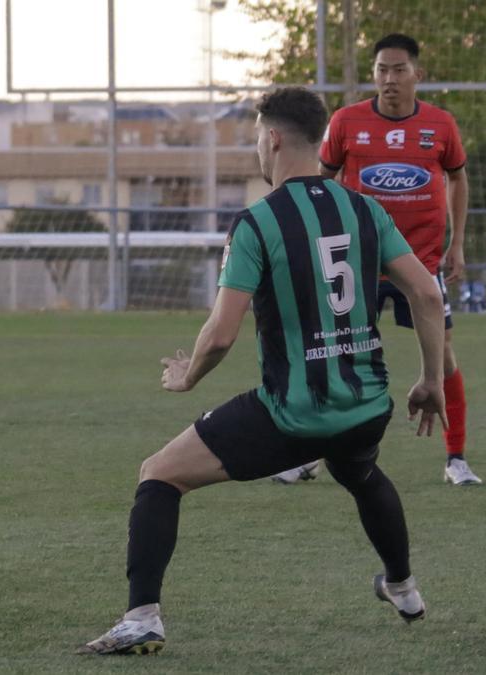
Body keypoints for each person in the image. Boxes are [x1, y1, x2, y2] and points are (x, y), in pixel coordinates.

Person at [78, 87, 448, 656]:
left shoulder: (257, 222)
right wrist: (430, 379)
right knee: (359, 473)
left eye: (256, 134)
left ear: (272, 138)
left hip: (293, 414)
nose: (256, 145)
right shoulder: (367, 209)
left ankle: (141, 616)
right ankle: (403, 587)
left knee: (159, 475)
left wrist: (188, 376)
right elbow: (425, 293)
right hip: (368, 403)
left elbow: (222, 333)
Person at [275, 33, 479, 486]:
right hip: (357, 261)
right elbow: (320, 181)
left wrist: (457, 243)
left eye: (399, 70)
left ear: (417, 75)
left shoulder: (440, 125)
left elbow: (458, 180)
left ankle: (456, 458)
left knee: (442, 355)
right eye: (382, 70)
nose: (389, 79)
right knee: (333, 352)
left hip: (421, 264)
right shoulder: (347, 123)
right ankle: (310, 455)